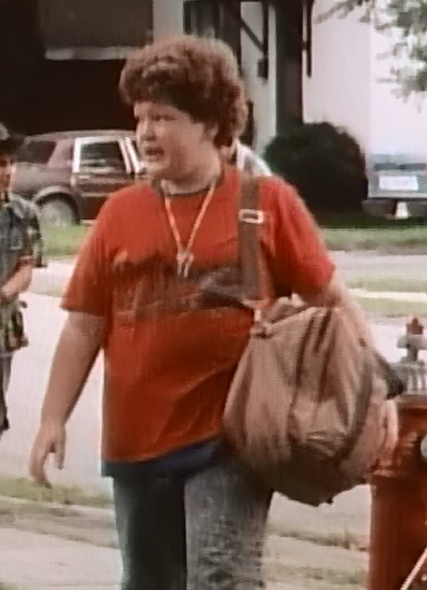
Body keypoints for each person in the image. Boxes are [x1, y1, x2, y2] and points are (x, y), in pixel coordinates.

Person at [28, 35, 397, 590]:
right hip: (134, 440)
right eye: (140, 117)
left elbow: (332, 301)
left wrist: (378, 391)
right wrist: (52, 420)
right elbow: (84, 326)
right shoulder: (120, 214)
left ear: (210, 124)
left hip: (228, 439)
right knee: (148, 581)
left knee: (221, 577)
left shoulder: (267, 203)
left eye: (163, 118)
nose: (145, 133)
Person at [0, 122, 41, 435]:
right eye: (1, 164)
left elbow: (27, 266)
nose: (7, 171)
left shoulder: (24, 214)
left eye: (10, 163)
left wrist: (5, 292)